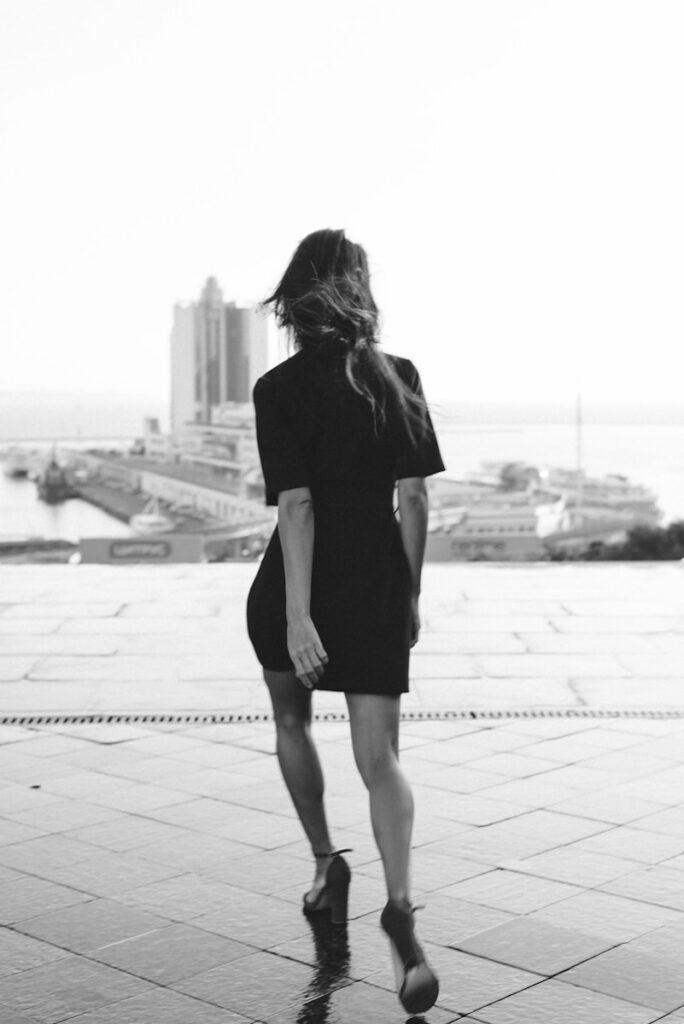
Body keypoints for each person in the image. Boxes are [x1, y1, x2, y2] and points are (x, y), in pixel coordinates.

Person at [246, 228, 445, 1014]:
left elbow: (296, 505)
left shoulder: (277, 387)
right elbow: (417, 498)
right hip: (372, 584)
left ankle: (328, 864)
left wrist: (298, 616)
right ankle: (399, 902)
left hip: (293, 586)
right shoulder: (398, 376)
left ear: (296, 295)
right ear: (360, 290)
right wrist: (409, 593)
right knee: (380, 757)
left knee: (291, 724)